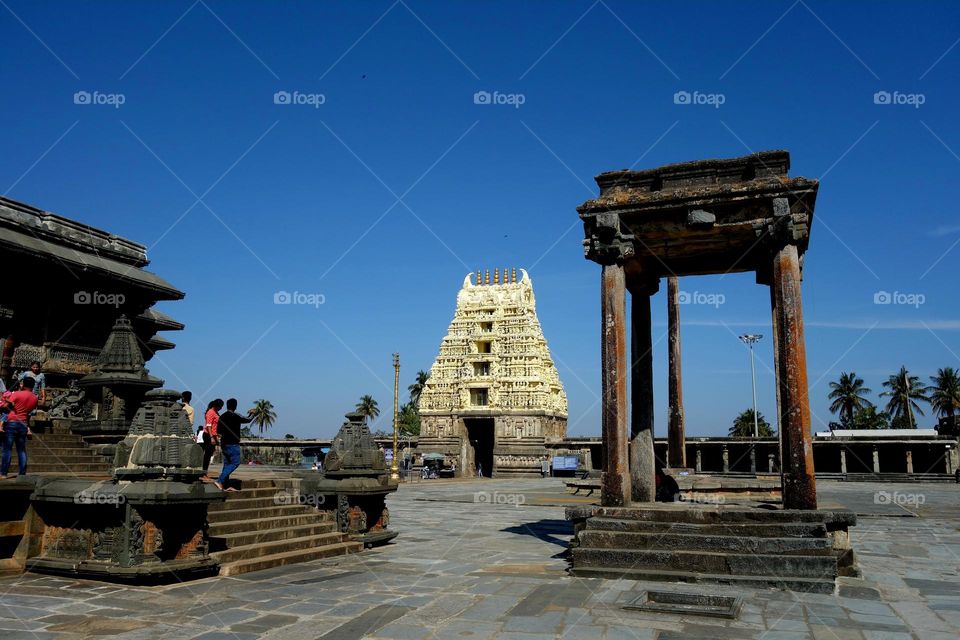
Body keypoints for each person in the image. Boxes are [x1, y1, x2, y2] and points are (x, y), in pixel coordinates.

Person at [0, 377, 38, 479]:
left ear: (23, 384)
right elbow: (29, 409)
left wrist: (3, 400)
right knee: (21, 450)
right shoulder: (35, 398)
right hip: (23, 423)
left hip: (12, 422)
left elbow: (5, 406)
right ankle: (22, 473)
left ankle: (3, 473)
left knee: (7, 449)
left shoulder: (16, 394)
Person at [215, 398, 253, 491]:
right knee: (235, 463)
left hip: (224, 443)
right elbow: (247, 419)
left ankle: (225, 484)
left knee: (227, 464)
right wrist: (252, 413)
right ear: (235, 406)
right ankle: (220, 480)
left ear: (227, 406)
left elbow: (218, 431)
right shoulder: (236, 416)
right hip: (233, 443)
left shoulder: (222, 416)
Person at [202, 399, 224, 478]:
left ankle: (205, 471)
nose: (221, 408)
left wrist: (216, 435)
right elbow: (209, 425)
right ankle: (204, 472)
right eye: (220, 407)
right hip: (208, 435)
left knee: (209, 454)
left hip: (213, 435)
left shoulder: (216, 412)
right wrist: (211, 437)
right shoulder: (211, 412)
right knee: (207, 455)